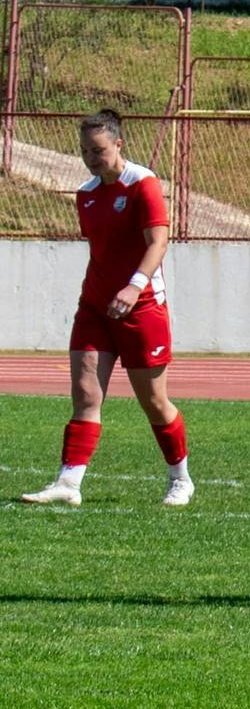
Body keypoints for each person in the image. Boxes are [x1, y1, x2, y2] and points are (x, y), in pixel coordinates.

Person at [22, 110, 195, 509]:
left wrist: (134, 288)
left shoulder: (143, 184)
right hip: (95, 307)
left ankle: (180, 479)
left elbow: (158, 242)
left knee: (152, 400)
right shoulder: (86, 194)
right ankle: (69, 481)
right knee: (85, 393)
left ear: (119, 144)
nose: (90, 157)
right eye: (84, 150)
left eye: (97, 149)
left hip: (141, 307)